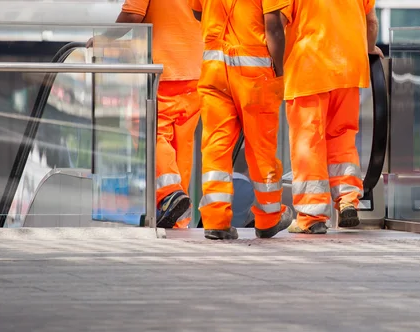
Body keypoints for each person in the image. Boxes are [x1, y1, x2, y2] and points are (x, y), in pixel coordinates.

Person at [88, 0, 203, 229]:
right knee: (183, 144)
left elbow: (133, 15)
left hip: (163, 69)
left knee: (152, 132)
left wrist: (104, 39)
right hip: (196, 69)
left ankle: (170, 193)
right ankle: (179, 222)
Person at [189, 0, 293, 240]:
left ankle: (216, 221)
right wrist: (279, 72)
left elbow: (196, 11)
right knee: (261, 149)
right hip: (254, 75)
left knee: (216, 145)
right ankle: (268, 218)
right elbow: (274, 26)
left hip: (214, 69)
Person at [280, 0, 383, 234]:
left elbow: (277, 21)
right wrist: (370, 48)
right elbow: (372, 22)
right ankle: (348, 199)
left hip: (308, 69)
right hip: (348, 69)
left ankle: (311, 216)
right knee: (343, 138)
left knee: (309, 142)